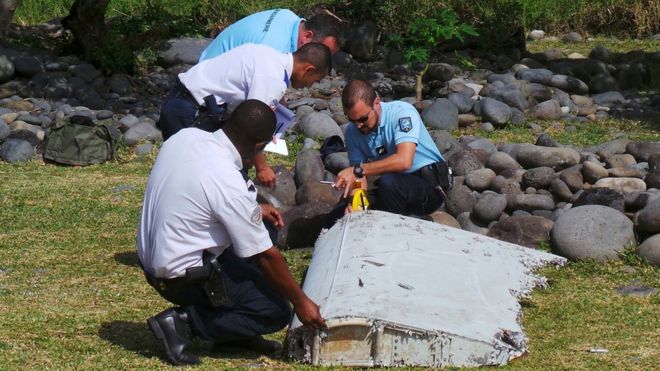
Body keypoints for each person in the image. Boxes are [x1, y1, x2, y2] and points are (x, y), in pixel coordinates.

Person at [138, 100, 326, 366]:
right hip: (181, 276)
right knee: (273, 311)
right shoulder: (225, 178)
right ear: (259, 146)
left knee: (267, 230)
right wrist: (301, 302)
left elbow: (200, 196)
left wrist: (256, 209)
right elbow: (266, 257)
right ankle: (183, 323)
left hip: (154, 258)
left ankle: (235, 333)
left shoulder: (186, 136)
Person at [156, 42, 332, 187]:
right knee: (191, 178)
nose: (310, 86)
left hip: (181, 100)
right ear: (308, 69)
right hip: (192, 112)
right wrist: (262, 168)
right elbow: (252, 127)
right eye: (314, 81)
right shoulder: (273, 79)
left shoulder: (268, 53)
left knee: (181, 171)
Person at [332, 79, 451, 217]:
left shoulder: (402, 113)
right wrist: (356, 203)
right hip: (395, 185)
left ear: (376, 103)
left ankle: (395, 230)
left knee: (388, 183)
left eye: (363, 119)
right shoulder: (353, 132)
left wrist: (358, 170)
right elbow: (358, 179)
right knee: (340, 211)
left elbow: (404, 161)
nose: (358, 125)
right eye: (352, 120)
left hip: (429, 186)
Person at [199, 9, 341, 61]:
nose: (324, 60)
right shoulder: (274, 49)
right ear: (307, 36)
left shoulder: (288, 16)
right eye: (324, 52)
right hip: (206, 90)